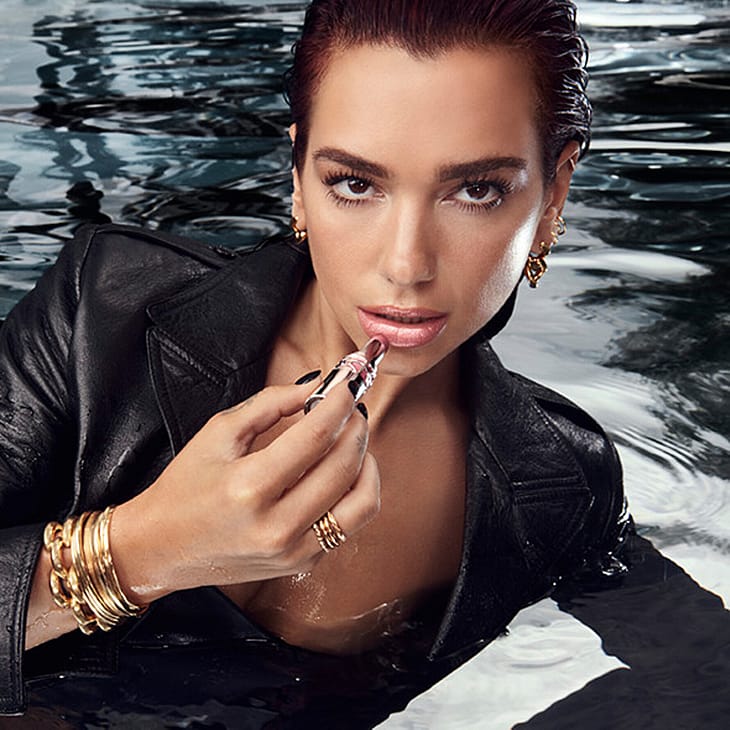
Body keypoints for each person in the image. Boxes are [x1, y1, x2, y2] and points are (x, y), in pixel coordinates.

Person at [0, 0, 653, 724]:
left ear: (555, 193)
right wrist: (143, 550)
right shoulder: (100, 315)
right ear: (298, 177)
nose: (405, 264)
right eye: (355, 183)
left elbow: (695, 674)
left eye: (475, 190)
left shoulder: (563, 482)